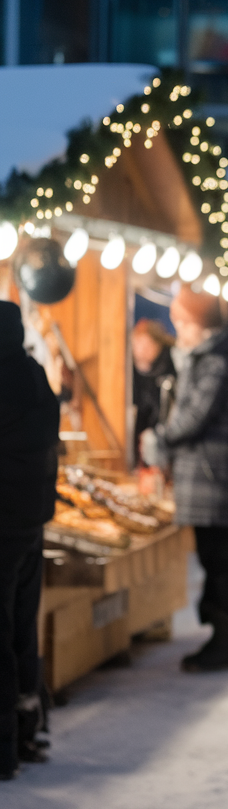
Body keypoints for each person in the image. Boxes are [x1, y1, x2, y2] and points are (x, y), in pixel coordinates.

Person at [142, 287, 228, 672]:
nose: (178, 329)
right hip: (208, 472)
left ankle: (225, 640)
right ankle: (221, 635)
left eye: (182, 322)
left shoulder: (215, 363)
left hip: (212, 473)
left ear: (199, 325)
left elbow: (194, 417)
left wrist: (161, 439)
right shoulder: (204, 359)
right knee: (215, 555)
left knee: (219, 557)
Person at [0, 301, 60, 780]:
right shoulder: (34, 375)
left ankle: (3, 750)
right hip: (30, 521)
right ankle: (27, 729)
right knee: (22, 627)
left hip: (2, 523)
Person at [131, 318, 176, 465]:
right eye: (138, 343)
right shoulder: (128, 370)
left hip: (165, 431)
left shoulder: (171, 365)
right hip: (137, 430)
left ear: (158, 345)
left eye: (147, 344)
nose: (141, 349)